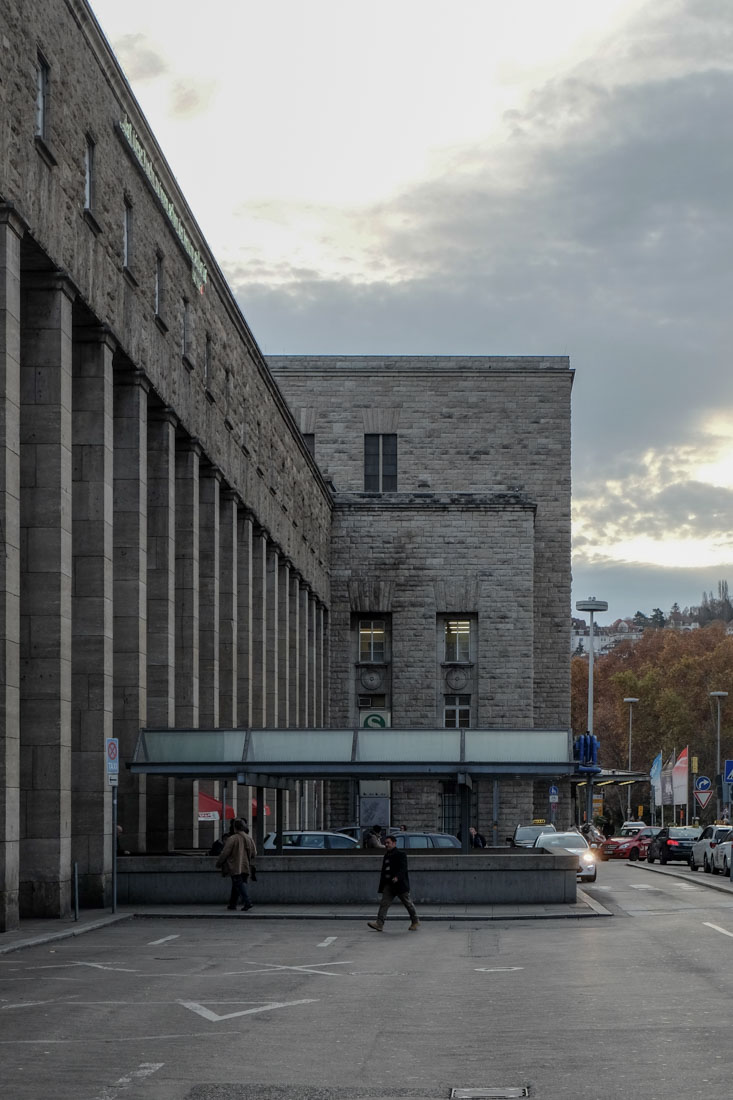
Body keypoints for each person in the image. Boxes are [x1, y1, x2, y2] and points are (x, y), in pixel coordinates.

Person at [367, 834, 419, 932]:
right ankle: (379, 923)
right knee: (384, 903)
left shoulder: (401, 854)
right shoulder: (386, 855)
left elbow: (403, 869)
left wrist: (397, 877)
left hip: (399, 885)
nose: (386, 845)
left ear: (394, 843)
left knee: (408, 903)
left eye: (388, 843)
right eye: (385, 843)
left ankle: (415, 921)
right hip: (389, 884)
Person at [216, 818, 256, 911]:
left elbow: (225, 853)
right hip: (246, 865)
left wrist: (219, 863)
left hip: (235, 865)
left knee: (238, 883)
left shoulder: (233, 838)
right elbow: (254, 853)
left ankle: (247, 901)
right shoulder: (249, 838)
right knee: (237, 885)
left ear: (234, 827)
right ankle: (232, 903)